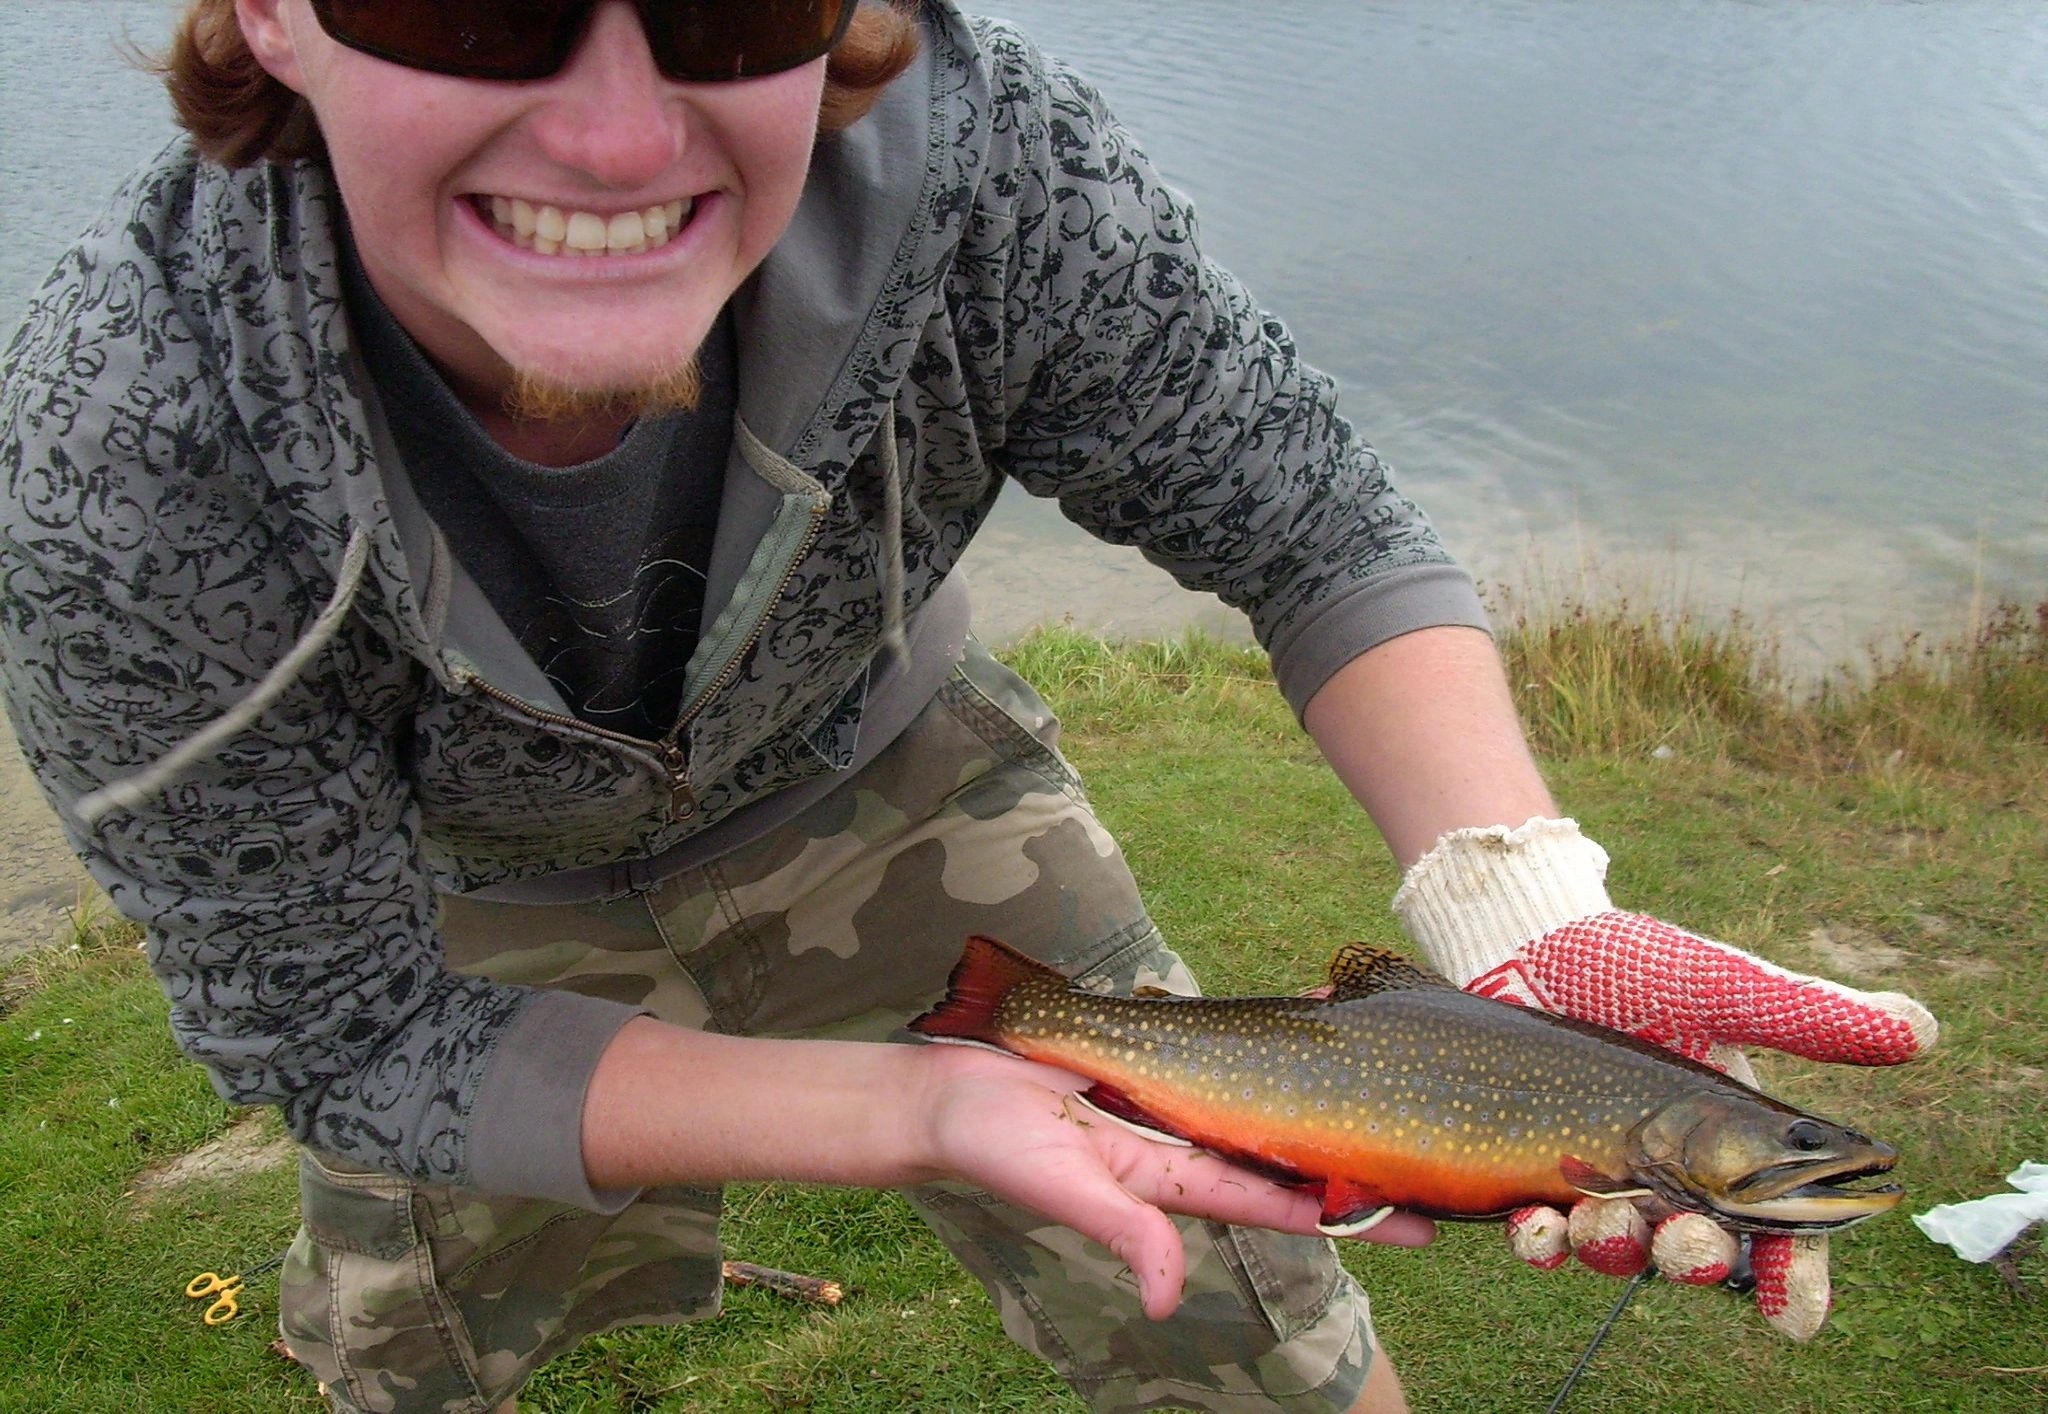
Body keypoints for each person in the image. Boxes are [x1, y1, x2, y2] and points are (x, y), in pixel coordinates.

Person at [0, 2, 1937, 1410]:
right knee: (407, 1363)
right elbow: (339, 1022)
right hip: (453, 911)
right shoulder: (119, 444)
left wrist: (1516, 898)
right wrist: (912, 1101)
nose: (607, 135)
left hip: (892, 769)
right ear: (268, 16)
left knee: (1256, 1332)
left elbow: (1306, 518)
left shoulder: (986, 170)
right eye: (466, 0)